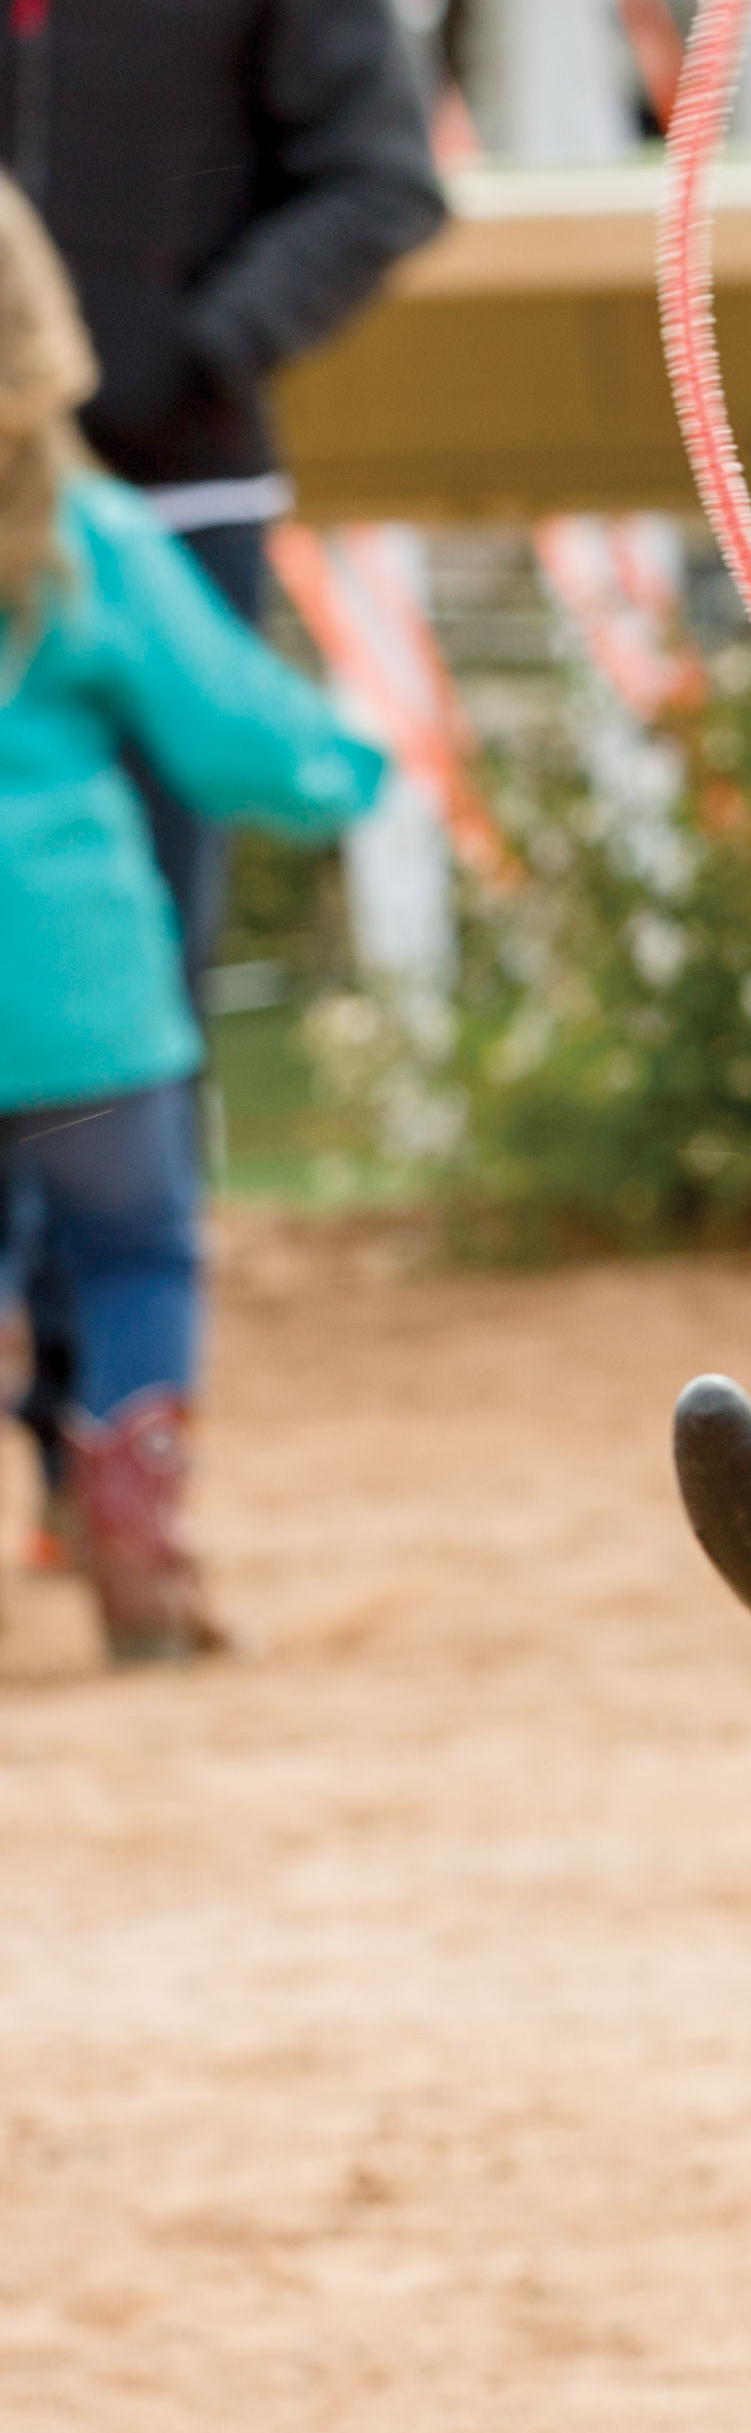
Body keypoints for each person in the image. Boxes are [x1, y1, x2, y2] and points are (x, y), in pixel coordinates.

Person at [0, 0, 445, 1546]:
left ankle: (113, 1434)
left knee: (120, 986)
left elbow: (381, 175)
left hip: (163, 510)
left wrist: (182, 348)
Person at [0, 179, 384, 1664]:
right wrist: (350, 766)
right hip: (89, 1002)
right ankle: (136, 1536)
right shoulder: (80, 539)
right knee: (139, 1253)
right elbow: (235, 736)